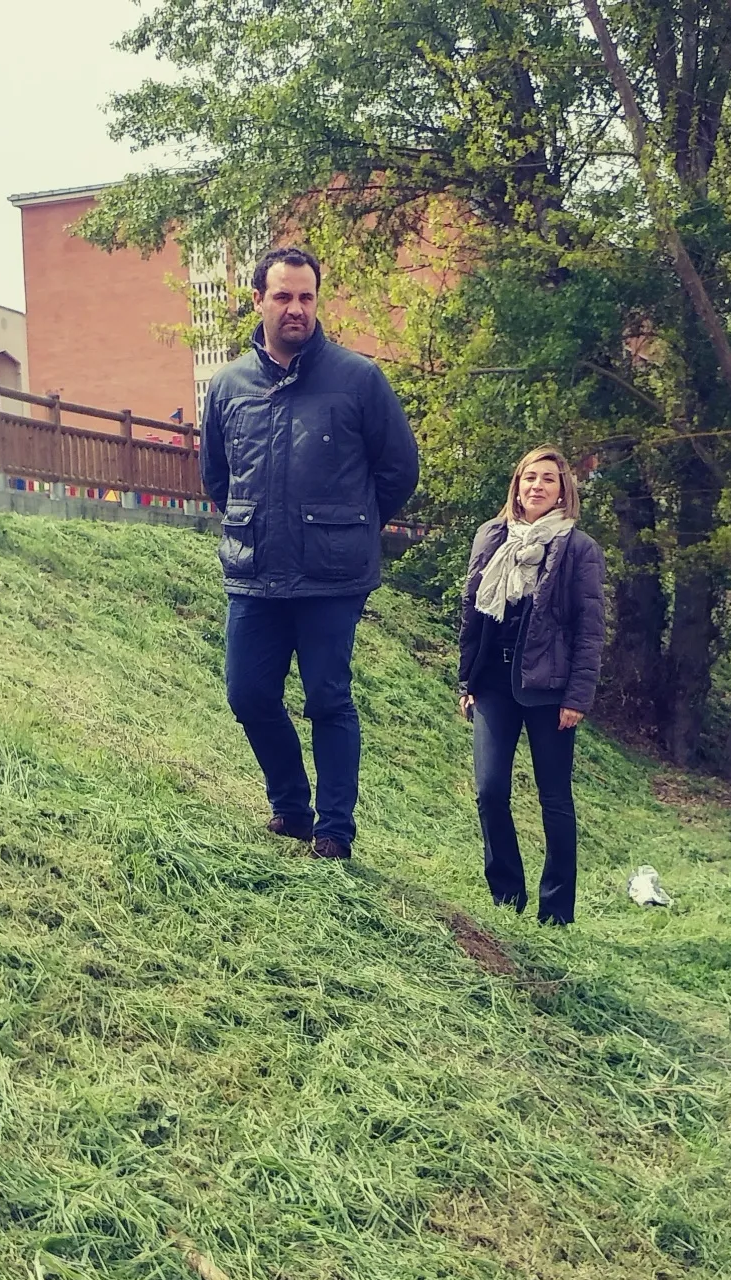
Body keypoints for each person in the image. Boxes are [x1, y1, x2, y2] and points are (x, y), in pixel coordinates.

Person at [201, 247, 421, 860]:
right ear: (258, 301)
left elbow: (399, 469)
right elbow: (217, 478)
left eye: (306, 297)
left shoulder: (357, 379)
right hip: (254, 572)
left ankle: (334, 831)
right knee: (248, 695)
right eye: (283, 297)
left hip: (332, 577)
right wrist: (254, 522)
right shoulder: (227, 386)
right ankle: (291, 807)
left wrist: (348, 524)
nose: (296, 308)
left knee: (328, 697)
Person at [457, 447, 605, 924]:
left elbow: (590, 629)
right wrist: (466, 680)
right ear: (516, 485)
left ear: (563, 490)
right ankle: (506, 897)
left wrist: (578, 697)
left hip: (551, 691)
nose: (537, 487)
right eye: (529, 478)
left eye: (547, 479)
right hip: (494, 684)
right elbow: (471, 613)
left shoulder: (578, 548)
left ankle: (556, 912)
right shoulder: (491, 536)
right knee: (489, 790)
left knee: (554, 799)